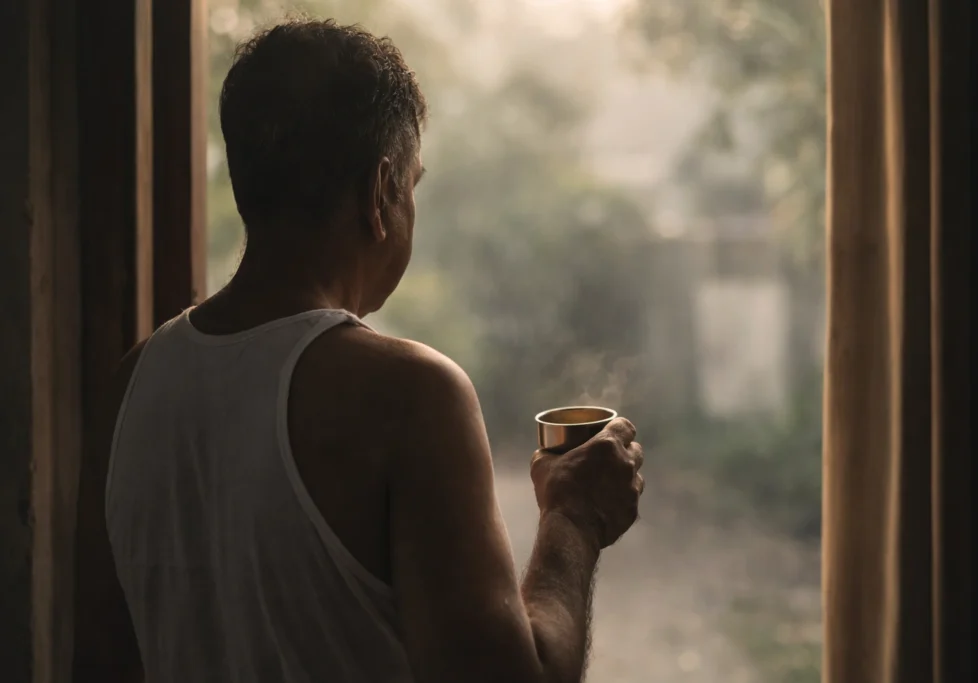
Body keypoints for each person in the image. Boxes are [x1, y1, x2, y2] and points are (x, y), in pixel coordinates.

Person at [73, 19, 645, 683]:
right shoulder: (411, 396)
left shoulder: (131, 387)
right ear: (381, 192)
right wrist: (574, 516)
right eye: (412, 186)